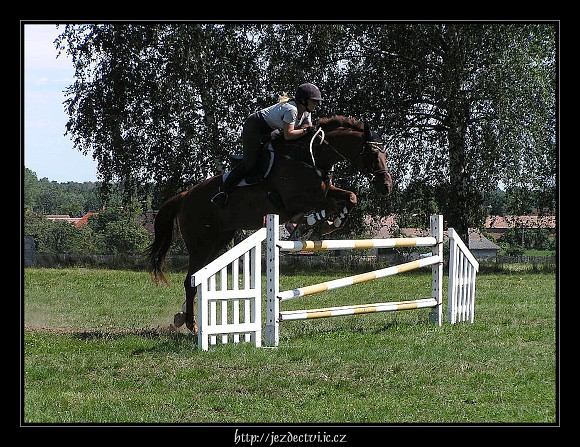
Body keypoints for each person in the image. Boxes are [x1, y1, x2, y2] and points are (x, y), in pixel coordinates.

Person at [211, 82, 323, 207]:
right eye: (314, 101)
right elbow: (289, 134)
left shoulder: (306, 111)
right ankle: (223, 191)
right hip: (255, 126)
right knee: (250, 163)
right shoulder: (292, 110)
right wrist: (307, 130)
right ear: (303, 100)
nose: (316, 104)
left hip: (270, 128)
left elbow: (308, 128)